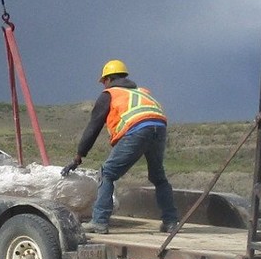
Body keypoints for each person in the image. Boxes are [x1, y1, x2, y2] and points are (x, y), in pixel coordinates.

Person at [61, 59, 180, 234]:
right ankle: (171, 222)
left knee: (107, 173)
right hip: (159, 128)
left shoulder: (110, 94)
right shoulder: (143, 92)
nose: (103, 86)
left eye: (103, 82)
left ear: (108, 79)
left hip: (138, 130)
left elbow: (93, 126)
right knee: (159, 177)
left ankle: (99, 222)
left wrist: (78, 156)